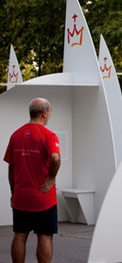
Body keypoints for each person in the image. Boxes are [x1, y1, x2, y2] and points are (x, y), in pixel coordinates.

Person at [4, 98, 61, 263]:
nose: (49, 115)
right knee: (44, 236)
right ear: (44, 113)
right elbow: (55, 157)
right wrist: (51, 178)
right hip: (43, 198)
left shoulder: (16, 134)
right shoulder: (49, 135)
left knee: (20, 235)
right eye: (50, 112)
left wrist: (14, 192)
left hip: (21, 197)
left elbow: (11, 168)